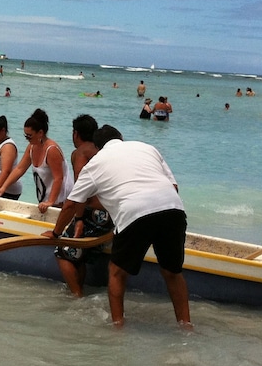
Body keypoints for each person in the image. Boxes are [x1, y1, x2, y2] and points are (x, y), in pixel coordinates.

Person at [44, 125, 190, 328]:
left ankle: (117, 326)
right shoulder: (147, 148)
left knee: (116, 272)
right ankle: (186, 325)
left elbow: (71, 204)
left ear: (97, 146)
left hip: (134, 213)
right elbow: (174, 187)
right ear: (121, 137)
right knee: (172, 272)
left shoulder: (95, 163)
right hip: (173, 209)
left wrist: (56, 232)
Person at [52, 115, 114, 297]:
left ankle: (77, 295)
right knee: (79, 256)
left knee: (62, 251)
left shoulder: (80, 152)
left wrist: (77, 219)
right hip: (113, 214)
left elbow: (81, 190)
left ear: (75, 133)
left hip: (94, 214)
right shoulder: (102, 151)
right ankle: (80, 290)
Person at [0, 109, 73, 214]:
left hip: (61, 200)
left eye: (29, 136)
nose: (27, 139)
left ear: (40, 133)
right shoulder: (31, 147)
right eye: (25, 135)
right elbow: (20, 169)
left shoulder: (52, 150)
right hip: (45, 198)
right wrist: (3, 187)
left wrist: (51, 201)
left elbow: (58, 178)